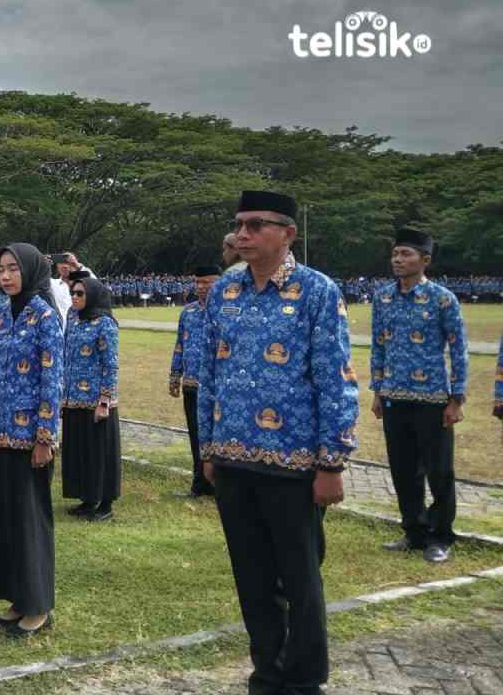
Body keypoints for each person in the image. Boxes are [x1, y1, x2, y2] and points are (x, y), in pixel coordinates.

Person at [198, 190, 357, 695]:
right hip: (233, 459)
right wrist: (208, 449)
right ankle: (267, 673)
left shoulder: (316, 291)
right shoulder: (225, 290)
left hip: (294, 464)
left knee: (301, 579)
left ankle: (304, 679)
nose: (242, 234)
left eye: (256, 225)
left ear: (288, 233)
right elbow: (209, 372)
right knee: (252, 579)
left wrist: (332, 463)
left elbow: (335, 379)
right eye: (239, 224)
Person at [0, 243, 62, 637]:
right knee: (2, 518)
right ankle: (15, 598)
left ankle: (38, 605)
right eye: (0, 269)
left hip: (29, 437)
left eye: (13, 268)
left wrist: (45, 437)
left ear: (29, 270)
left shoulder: (44, 316)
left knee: (29, 520)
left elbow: (51, 379)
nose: (5, 276)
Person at [370, 228, 468, 564]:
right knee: (403, 469)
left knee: (439, 471)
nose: (398, 260)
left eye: (406, 254)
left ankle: (440, 536)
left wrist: (457, 398)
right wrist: (378, 390)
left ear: (425, 260)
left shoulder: (442, 299)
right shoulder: (382, 298)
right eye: (395, 254)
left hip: (432, 399)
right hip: (394, 397)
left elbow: (458, 350)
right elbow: (379, 346)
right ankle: (414, 532)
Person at [60, 276, 121, 521]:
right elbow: (65, 355)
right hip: (73, 398)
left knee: (100, 453)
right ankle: (87, 499)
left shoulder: (105, 323)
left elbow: (111, 365)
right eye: (73, 293)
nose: (74, 297)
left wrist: (104, 401)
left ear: (93, 295)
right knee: (80, 451)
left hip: (96, 401)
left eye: (80, 294)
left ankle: (105, 504)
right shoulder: (72, 318)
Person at [170, 265, 222, 498]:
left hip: (217, 387)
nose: (201, 287)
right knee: (195, 435)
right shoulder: (188, 312)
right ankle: (199, 484)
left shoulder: (226, 311)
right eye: (198, 282)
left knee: (217, 436)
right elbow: (179, 345)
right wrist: (175, 374)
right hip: (191, 385)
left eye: (206, 282)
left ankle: (220, 486)